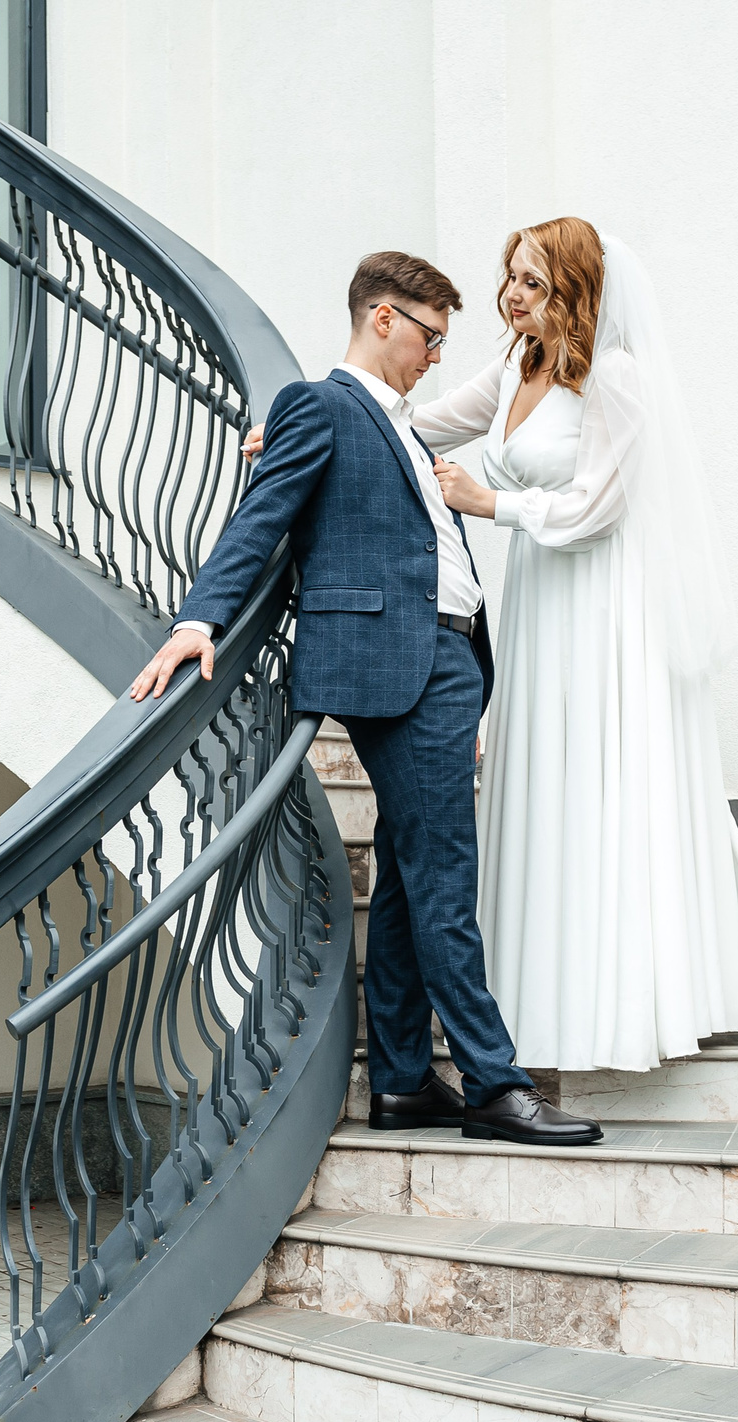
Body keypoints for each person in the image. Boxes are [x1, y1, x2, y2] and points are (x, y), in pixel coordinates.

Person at [127, 251, 601, 1146]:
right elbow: (260, 520)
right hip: (404, 668)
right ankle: (495, 1083)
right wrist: (201, 620)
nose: (435, 356)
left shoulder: (408, 426)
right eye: (429, 336)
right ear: (383, 318)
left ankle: (401, 1081)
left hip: (449, 663)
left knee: (405, 870)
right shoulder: (320, 406)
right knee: (443, 874)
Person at [417, 216, 738, 1068]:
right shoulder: (516, 363)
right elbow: (427, 424)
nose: (511, 296)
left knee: (604, 789)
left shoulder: (615, 379)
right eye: (509, 277)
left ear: (576, 292)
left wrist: (491, 504)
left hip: (602, 606)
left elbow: (598, 507)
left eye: (533, 283)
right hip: (541, 601)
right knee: (548, 784)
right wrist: (320, 422)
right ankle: (544, 1000)